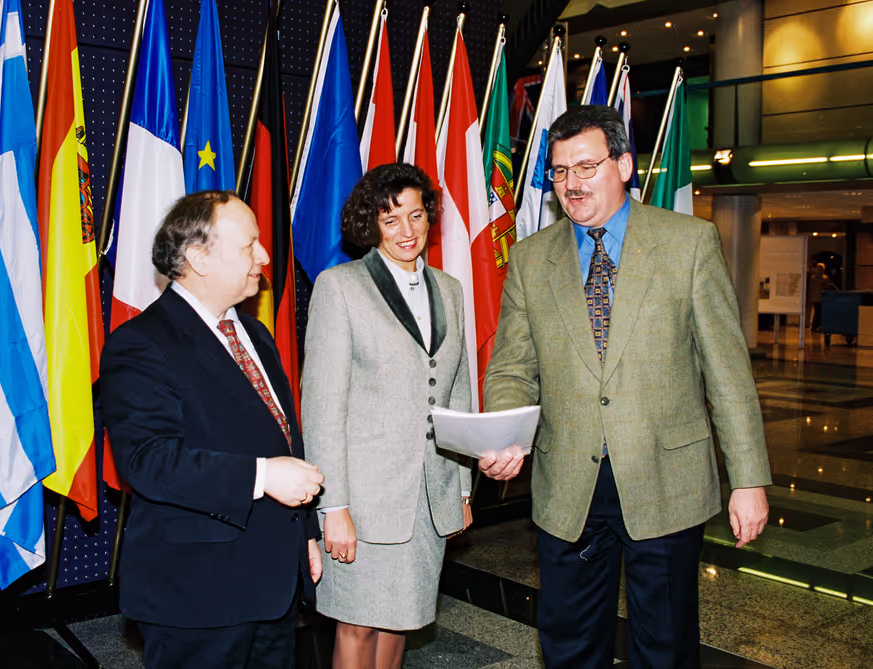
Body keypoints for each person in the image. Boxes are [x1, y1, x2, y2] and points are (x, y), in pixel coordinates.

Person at [479, 106, 772, 668]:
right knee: (568, 645)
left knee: (664, 648)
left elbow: (727, 372)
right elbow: (513, 366)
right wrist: (506, 431)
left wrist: (749, 479)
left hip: (668, 481)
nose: (571, 184)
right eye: (559, 172)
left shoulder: (689, 244)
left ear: (624, 165)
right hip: (567, 483)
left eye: (585, 167)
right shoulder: (530, 259)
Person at [100, 191, 325, 669]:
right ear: (199, 258)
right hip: (199, 597)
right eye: (250, 245)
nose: (264, 256)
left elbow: (282, 437)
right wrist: (262, 477)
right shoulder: (141, 343)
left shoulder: (255, 334)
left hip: (274, 586)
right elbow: (149, 462)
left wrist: (304, 533)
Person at [302, 163, 474, 669]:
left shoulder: (450, 289)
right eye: (391, 218)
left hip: (429, 494)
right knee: (357, 624)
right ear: (370, 223)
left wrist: (462, 488)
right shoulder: (341, 287)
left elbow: (458, 393)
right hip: (363, 499)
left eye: (416, 216)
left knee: (404, 619)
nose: (407, 231)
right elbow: (323, 408)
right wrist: (333, 507)